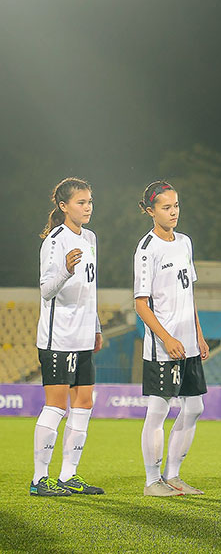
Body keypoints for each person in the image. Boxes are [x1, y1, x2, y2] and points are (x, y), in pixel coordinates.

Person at [134, 181, 210, 497]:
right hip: (163, 347)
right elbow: (141, 304)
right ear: (151, 211)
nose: (174, 212)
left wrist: (199, 335)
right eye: (166, 207)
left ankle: (174, 476)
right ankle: (152, 481)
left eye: (176, 205)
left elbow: (189, 293)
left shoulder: (185, 242)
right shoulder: (146, 249)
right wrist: (166, 338)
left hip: (189, 344)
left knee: (194, 408)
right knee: (158, 410)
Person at [31, 178, 104, 497]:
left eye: (89, 202)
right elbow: (46, 290)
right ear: (63, 206)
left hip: (83, 336)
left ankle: (68, 475)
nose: (87, 208)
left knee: (84, 403)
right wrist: (65, 270)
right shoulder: (54, 241)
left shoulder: (90, 237)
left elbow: (90, 288)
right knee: (57, 406)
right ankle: (39, 479)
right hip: (58, 338)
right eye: (80, 202)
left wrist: (96, 326)